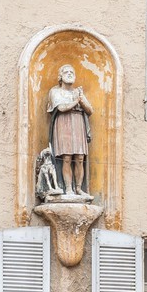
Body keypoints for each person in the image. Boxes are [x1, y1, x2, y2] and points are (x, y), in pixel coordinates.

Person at [45, 64, 94, 198]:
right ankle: (68, 189)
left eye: (72, 72)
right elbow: (61, 108)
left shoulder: (77, 92)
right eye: (66, 72)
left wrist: (81, 99)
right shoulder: (55, 91)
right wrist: (76, 101)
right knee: (67, 158)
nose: (70, 74)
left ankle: (78, 189)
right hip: (64, 123)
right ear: (60, 76)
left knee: (79, 157)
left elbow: (90, 110)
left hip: (78, 123)